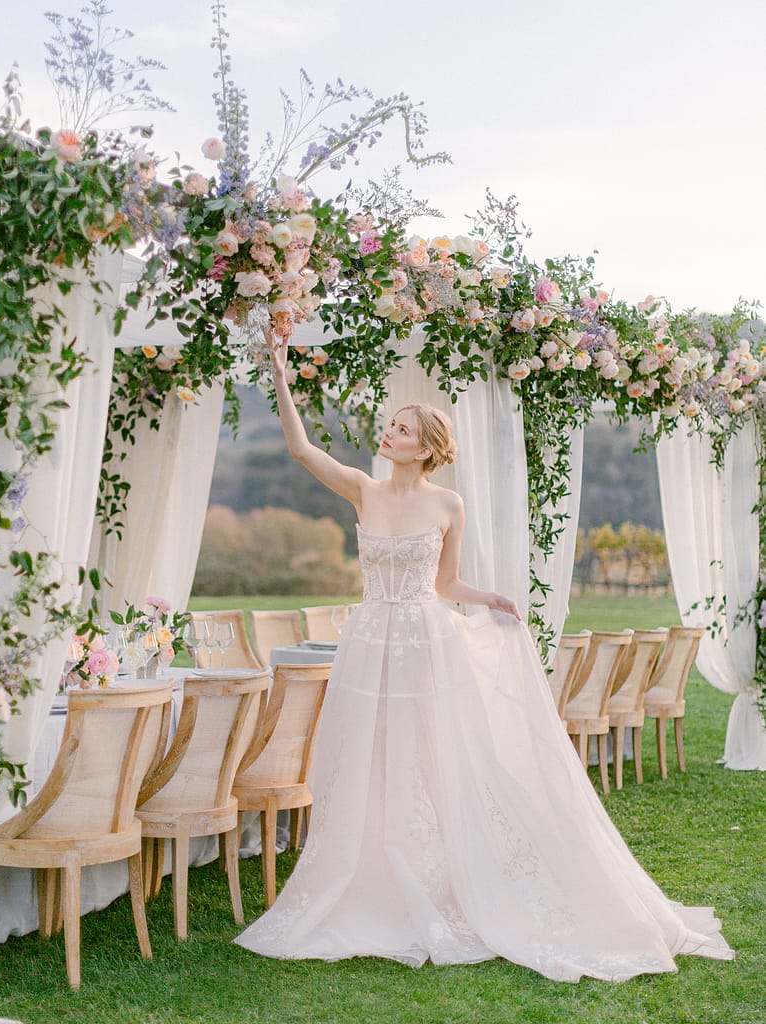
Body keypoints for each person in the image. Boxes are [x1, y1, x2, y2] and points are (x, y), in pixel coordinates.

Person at [234, 334, 733, 982]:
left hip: (426, 643)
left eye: (401, 428)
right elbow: (301, 450)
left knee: (437, 759)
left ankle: (451, 878)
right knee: (366, 759)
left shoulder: (448, 504)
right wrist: (279, 372)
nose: (388, 433)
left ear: (427, 446)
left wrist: (490, 598)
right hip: (370, 643)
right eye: (389, 425)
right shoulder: (363, 489)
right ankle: (376, 876)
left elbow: (445, 583)